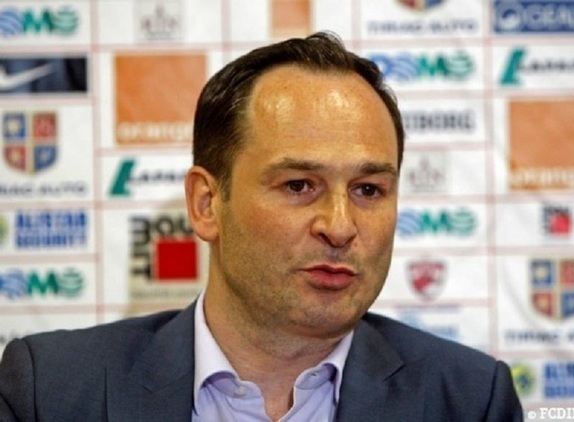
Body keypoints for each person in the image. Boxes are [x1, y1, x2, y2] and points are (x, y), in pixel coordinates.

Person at [0, 32, 523, 421]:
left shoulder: (469, 399)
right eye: (299, 185)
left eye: (368, 190)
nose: (340, 227)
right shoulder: (51, 390)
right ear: (206, 204)